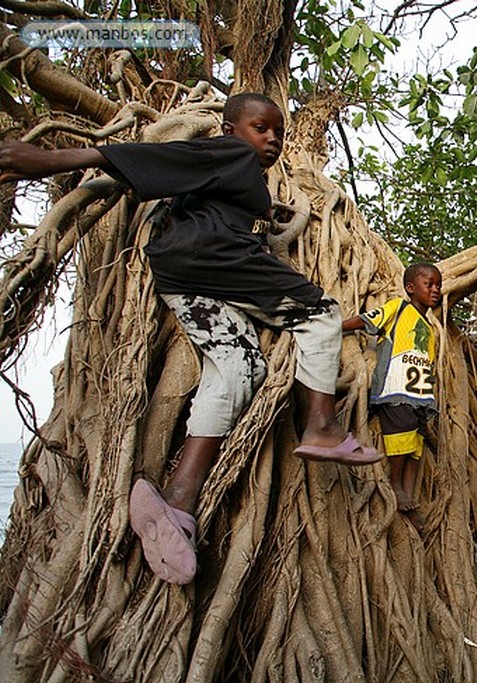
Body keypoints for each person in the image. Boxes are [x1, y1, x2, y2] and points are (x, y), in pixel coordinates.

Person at [0, 93, 383, 585]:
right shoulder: (231, 152)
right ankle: (322, 426)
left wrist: (270, 212)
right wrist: (51, 160)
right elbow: (163, 156)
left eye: (278, 134)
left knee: (241, 368)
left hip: (181, 274)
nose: (271, 140)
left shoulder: (237, 173)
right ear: (229, 130)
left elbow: (203, 185)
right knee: (321, 313)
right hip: (218, 257)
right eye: (260, 128)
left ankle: (177, 501)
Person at [343, 262, 441, 515]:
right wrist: (336, 327)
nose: (435, 290)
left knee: (415, 445)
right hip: (395, 389)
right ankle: (394, 484)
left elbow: (428, 363)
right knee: (401, 434)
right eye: (429, 284)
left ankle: (407, 495)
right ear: (410, 288)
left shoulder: (429, 328)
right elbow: (367, 320)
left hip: (419, 394)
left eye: (438, 285)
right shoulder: (399, 308)